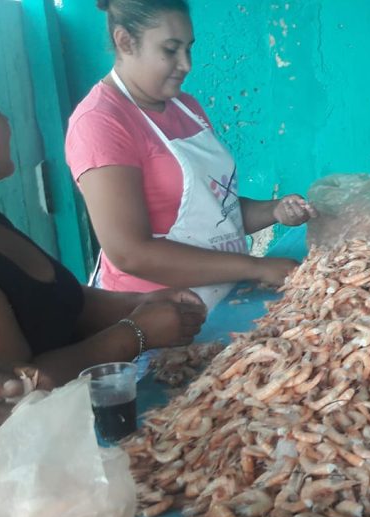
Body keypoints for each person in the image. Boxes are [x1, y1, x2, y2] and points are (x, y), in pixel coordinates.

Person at [65, 0, 317, 311]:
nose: (186, 64)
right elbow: (130, 253)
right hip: (161, 316)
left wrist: (275, 210)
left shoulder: (185, 106)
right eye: (171, 50)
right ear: (125, 41)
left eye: (189, 48)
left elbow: (215, 212)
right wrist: (255, 267)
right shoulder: (100, 123)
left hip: (222, 297)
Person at [0, 107, 207, 427]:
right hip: (59, 444)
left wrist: (141, 303)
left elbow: (59, 303)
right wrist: (135, 333)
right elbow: (20, 393)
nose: (7, 120)